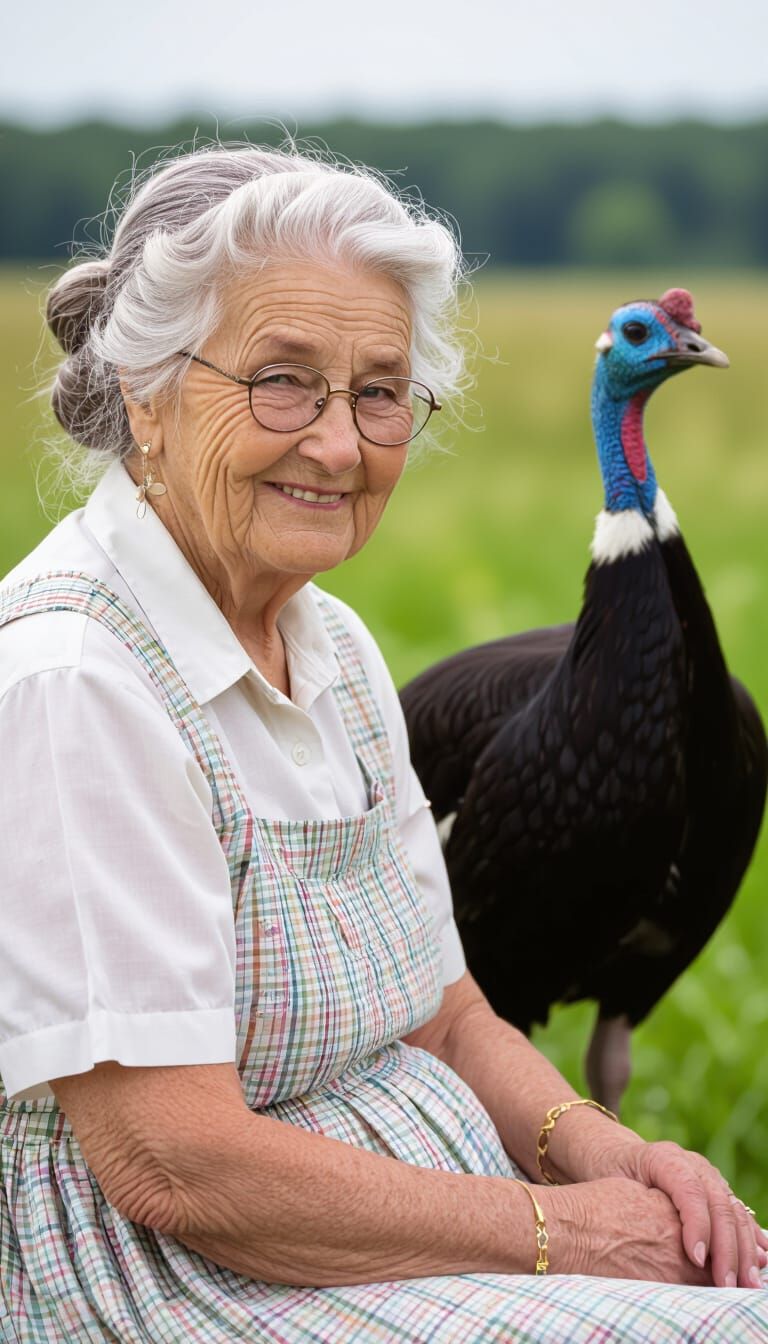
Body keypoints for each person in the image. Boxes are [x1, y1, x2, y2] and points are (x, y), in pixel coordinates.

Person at [0, 143, 765, 1344]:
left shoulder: (333, 643)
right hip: (197, 1287)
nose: (343, 447)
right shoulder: (80, 682)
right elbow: (178, 1166)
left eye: (380, 392)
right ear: (144, 393)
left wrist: (617, 1158)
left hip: (435, 1229)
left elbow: (447, 1013)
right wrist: (566, 1235)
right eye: (283, 382)